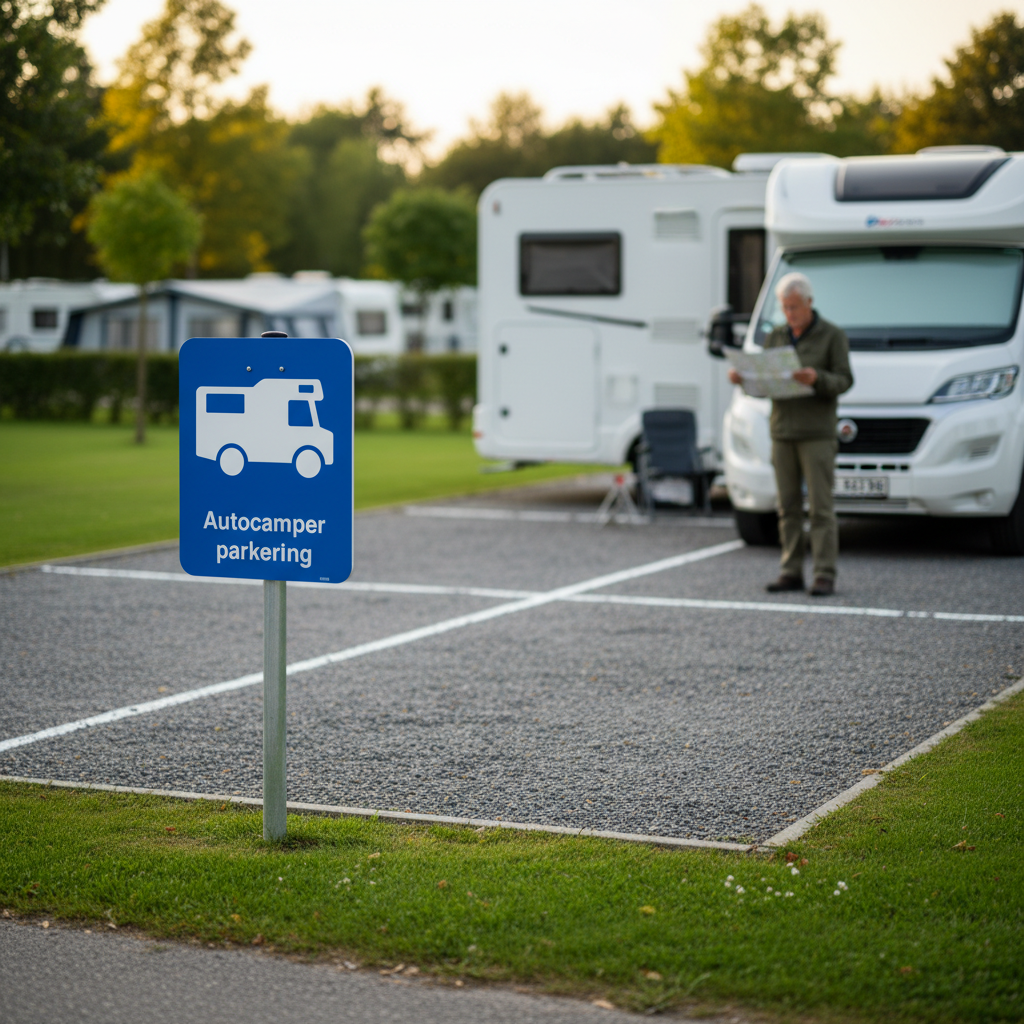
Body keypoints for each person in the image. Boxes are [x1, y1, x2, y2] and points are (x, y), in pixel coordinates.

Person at [728, 272, 853, 596]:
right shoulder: (776, 337)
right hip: (782, 431)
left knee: (821, 508)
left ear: (810, 303)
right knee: (787, 507)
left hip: (816, 433)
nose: (790, 314)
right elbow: (766, 386)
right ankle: (791, 570)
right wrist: (745, 379)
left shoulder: (832, 336)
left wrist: (817, 379)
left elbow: (844, 380)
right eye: (785, 307)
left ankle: (824, 573)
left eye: (795, 306)